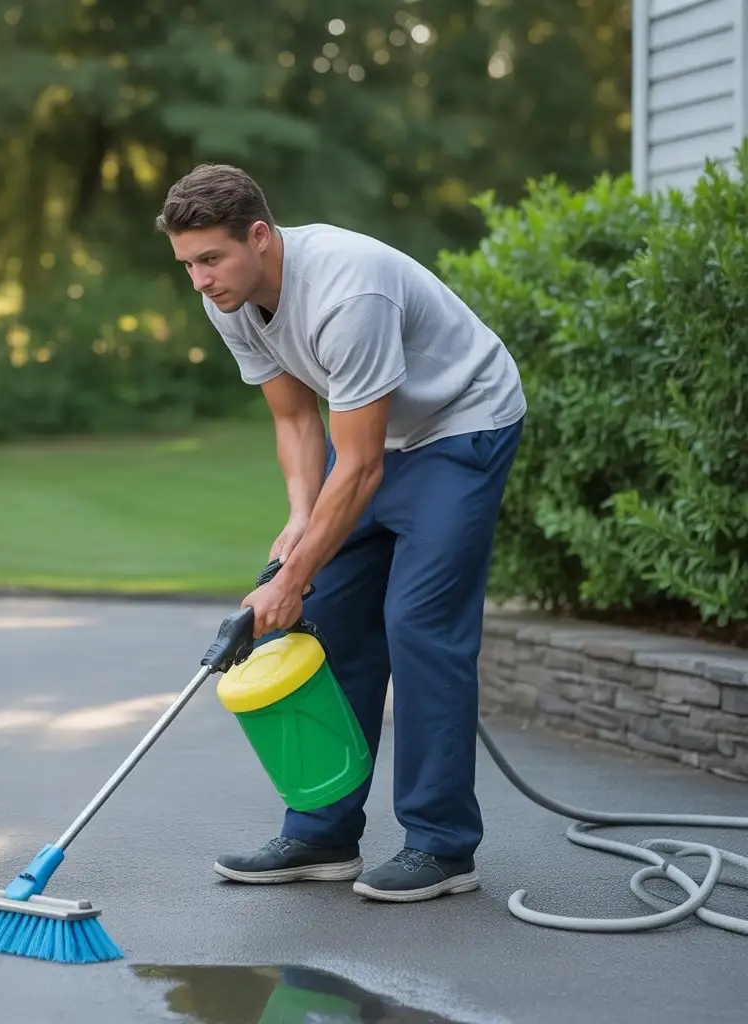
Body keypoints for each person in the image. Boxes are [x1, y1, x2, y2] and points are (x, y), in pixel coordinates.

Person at [155, 163, 526, 903]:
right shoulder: (230, 299)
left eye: (211, 259)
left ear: (260, 236)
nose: (200, 280)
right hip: (372, 441)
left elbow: (358, 467)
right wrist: (299, 523)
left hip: (460, 423)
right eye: (188, 264)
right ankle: (321, 831)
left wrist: (291, 578)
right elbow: (296, 419)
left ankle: (442, 845)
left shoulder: (347, 290)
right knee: (325, 624)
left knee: (418, 624)